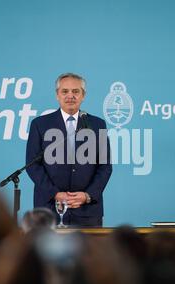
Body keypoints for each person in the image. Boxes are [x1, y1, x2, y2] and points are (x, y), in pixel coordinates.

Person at [26, 73, 112, 227]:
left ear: (83, 95)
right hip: (49, 209)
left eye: (76, 91)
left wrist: (87, 195)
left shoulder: (97, 124)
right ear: (57, 95)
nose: (70, 96)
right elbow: (33, 165)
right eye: (65, 91)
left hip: (87, 210)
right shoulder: (40, 124)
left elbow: (105, 166)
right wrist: (55, 194)